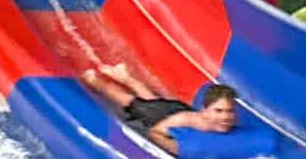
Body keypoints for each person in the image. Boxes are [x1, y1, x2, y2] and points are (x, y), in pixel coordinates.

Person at [83, 62, 238, 153]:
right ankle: (94, 80)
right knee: (130, 102)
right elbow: (155, 131)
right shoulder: (187, 120)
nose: (225, 116)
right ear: (205, 110)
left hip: (176, 109)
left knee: (153, 100)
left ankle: (124, 76)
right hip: (163, 118)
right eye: (218, 111)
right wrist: (173, 147)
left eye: (229, 111)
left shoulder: (225, 122)